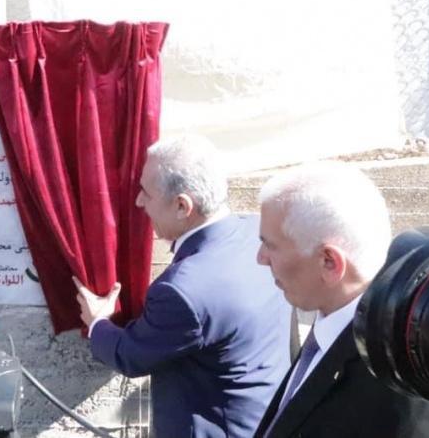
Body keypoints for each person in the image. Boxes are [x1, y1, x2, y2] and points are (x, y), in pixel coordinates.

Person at [74, 135, 291, 438]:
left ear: (181, 206)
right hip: (266, 419)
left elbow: (131, 355)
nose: (138, 202)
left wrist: (98, 322)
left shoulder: (182, 292)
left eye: (146, 193)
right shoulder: (257, 232)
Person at [254, 162, 429, 438]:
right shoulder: (334, 319)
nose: (260, 258)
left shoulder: (404, 388)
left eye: (270, 245)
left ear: (329, 262)